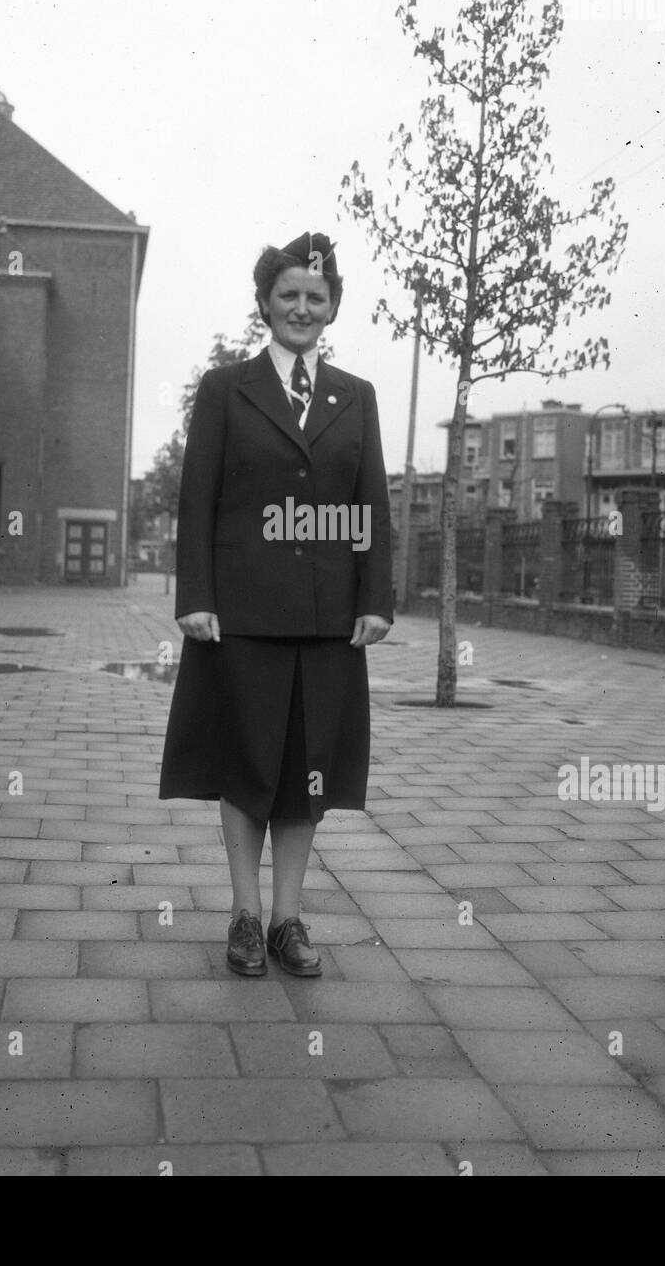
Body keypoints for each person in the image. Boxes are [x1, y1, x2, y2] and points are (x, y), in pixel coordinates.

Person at [158, 231, 393, 978]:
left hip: (327, 621)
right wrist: (194, 594)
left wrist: (376, 597)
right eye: (287, 294)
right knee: (247, 764)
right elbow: (198, 499)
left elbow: (371, 504)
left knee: (307, 772)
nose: (301, 307)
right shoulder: (227, 389)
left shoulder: (357, 397)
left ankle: (289, 917)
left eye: (314, 297)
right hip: (242, 616)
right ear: (264, 303)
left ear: (332, 309)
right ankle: (243, 914)